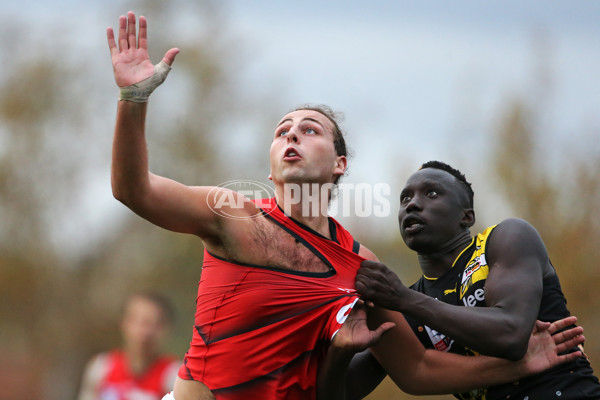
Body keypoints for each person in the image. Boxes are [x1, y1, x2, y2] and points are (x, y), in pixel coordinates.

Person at [106, 12, 586, 400]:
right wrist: (133, 98)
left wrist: (520, 365)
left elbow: (416, 369)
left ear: (339, 164)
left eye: (309, 128)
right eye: (281, 131)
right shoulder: (235, 216)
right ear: (271, 168)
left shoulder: (363, 268)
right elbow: (134, 190)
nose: (291, 133)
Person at [354, 160, 600, 399]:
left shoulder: (506, 239)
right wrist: (345, 341)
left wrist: (403, 299)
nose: (413, 204)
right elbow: (338, 390)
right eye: (405, 198)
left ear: (467, 217)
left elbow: (511, 336)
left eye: (431, 193)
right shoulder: (405, 306)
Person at [78, 292, 180, 400]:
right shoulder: (101, 367)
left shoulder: (174, 376)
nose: (143, 331)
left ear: (165, 329)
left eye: (151, 323)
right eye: (136, 320)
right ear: (123, 323)